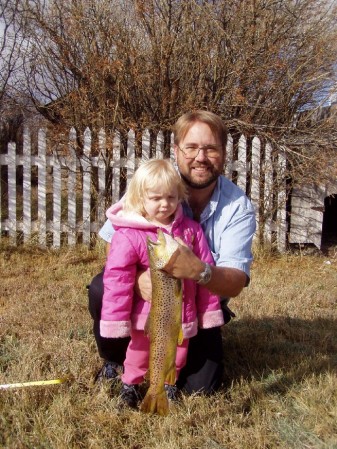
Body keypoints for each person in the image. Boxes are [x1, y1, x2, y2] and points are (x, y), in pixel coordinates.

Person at [88, 110, 256, 395]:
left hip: (196, 300)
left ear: (224, 153)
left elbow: (236, 280)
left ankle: (173, 368)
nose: (200, 157)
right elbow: (114, 239)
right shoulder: (154, 181)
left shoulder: (238, 206)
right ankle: (116, 358)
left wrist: (198, 272)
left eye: (211, 148)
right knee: (102, 287)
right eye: (191, 147)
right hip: (144, 296)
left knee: (201, 387)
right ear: (176, 150)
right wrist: (141, 277)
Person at [99, 158, 224, 408]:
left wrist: (208, 313)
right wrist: (116, 320)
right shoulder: (130, 234)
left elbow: (204, 273)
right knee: (139, 352)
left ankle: (167, 386)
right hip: (147, 316)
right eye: (156, 198)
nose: (164, 204)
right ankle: (130, 385)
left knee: (178, 354)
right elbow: (118, 278)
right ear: (139, 198)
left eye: (171, 197)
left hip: (182, 314)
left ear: (180, 197)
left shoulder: (191, 231)